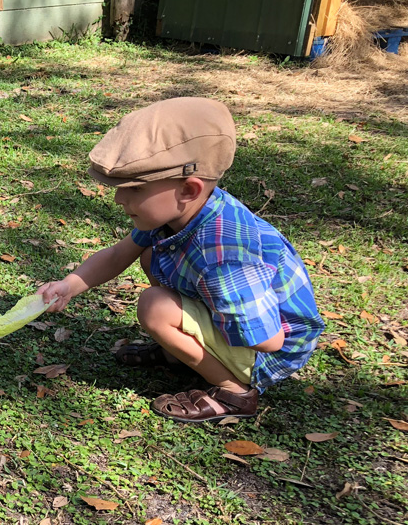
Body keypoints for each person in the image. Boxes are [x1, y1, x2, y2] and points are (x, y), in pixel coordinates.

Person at [35, 97, 324, 423]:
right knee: (149, 255)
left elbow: (270, 340)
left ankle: (235, 393)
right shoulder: (180, 212)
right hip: (238, 320)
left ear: (188, 189)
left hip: (267, 353)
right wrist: (70, 285)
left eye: (134, 189)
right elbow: (119, 254)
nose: (119, 199)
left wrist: (217, 311)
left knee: (155, 306)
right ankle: (180, 353)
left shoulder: (224, 256)